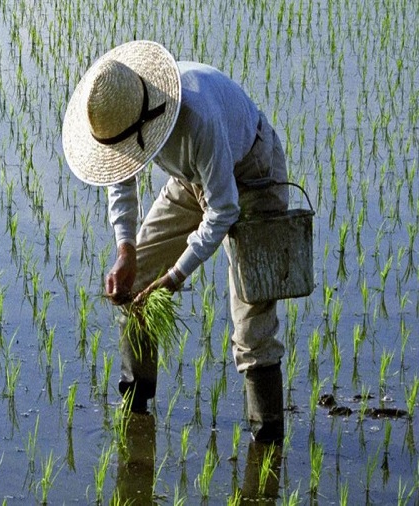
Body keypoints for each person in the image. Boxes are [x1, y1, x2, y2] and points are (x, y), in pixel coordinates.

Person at [62, 40, 288, 443]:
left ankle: (266, 437)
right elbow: (122, 178)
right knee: (138, 279)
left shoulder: (196, 116)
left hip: (254, 172)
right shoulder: (121, 115)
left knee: (251, 316)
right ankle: (136, 401)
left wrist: (175, 277)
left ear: (146, 123)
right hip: (192, 179)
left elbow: (223, 209)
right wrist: (126, 251)